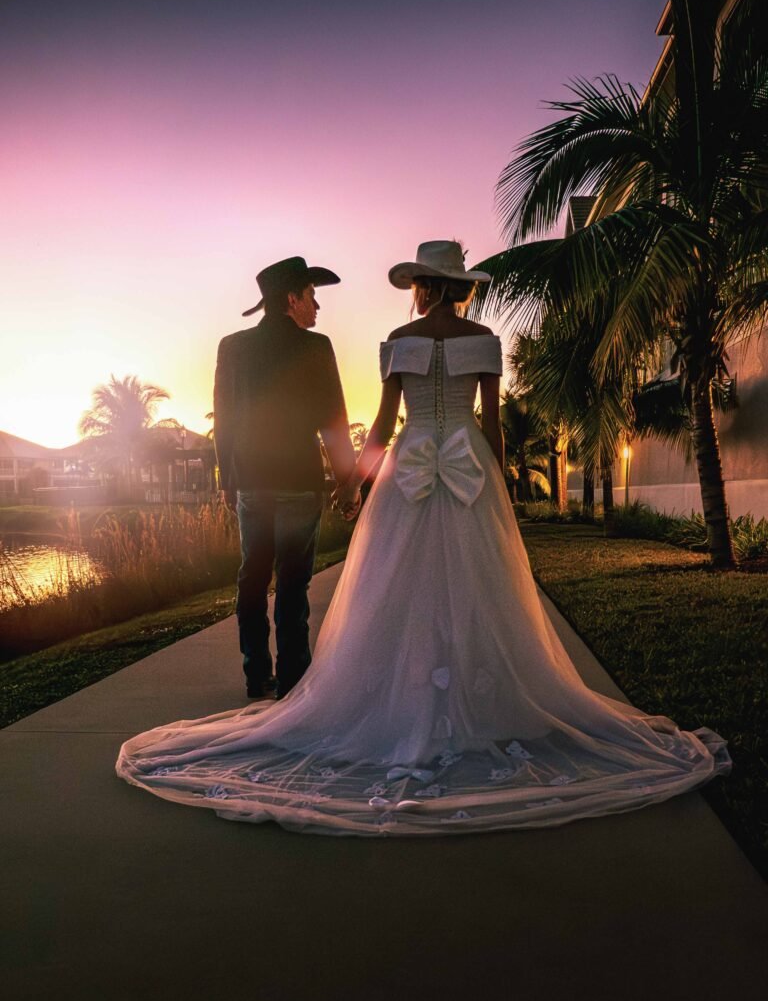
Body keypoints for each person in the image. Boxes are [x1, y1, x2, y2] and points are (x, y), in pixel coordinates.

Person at [117, 240, 729, 836]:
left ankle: (332, 685)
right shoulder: (483, 342)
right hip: (469, 470)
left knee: (386, 589)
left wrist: (359, 483)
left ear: (420, 286)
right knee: (475, 586)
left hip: (406, 472)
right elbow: (492, 426)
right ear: (459, 289)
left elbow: (382, 425)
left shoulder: (399, 344)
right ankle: (473, 693)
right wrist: (501, 491)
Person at [213, 256, 357, 701]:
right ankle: (293, 678)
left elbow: (225, 418)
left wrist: (226, 478)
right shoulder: (316, 347)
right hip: (298, 480)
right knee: (293, 583)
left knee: (252, 577)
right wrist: (347, 482)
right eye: (312, 296)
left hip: (252, 482)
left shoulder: (232, 347)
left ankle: (256, 674)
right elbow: (334, 420)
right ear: (292, 298)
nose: (317, 308)